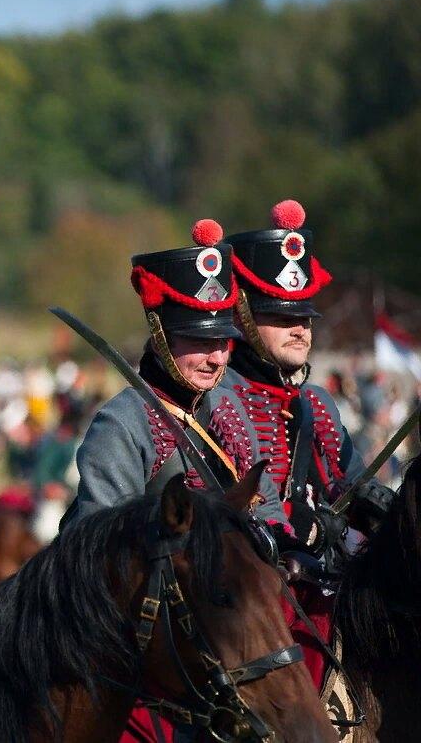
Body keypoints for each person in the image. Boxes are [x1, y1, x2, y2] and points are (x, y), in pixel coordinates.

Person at [210, 200, 389, 696]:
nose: (300, 328)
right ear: (242, 316)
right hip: (253, 617)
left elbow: (349, 483)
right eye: (279, 314)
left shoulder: (315, 401)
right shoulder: (219, 401)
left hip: (326, 603)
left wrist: (376, 508)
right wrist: (298, 537)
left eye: (305, 316)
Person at [61, 219, 286, 529]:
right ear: (160, 339)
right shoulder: (120, 424)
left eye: (223, 343)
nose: (218, 358)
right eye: (202, 343)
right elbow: (101, 544)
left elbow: (268, 507)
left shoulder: (231, 406)